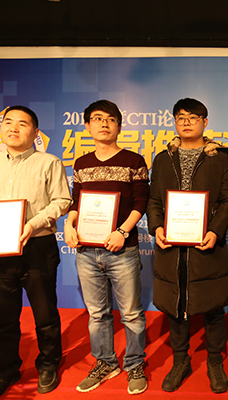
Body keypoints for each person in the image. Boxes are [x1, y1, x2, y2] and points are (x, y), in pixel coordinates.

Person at [0, 106, 72, 400]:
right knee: (3, 317)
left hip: (37, 247)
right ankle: (6, 370)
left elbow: (62, 200)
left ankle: (48, 363)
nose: (13, 128)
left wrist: (33, 224)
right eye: (8, 122)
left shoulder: (49, 162)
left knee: (45, 313)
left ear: (35, 132)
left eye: (22, 124)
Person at [147, 98, 228, 394]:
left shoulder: (220, 159)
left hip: (207, 243)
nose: (186, 122)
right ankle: (180, 360)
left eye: (193, 117)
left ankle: (215, 361)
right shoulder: (163, 159)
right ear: (174, 122)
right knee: (176, 305)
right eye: (180, 117)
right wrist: (157, 227)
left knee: (213, 306)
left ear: (205, 122)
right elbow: (154, 200)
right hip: (171, 246)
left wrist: (215, 232)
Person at [64, 100, 149, 394]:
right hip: (87, 252)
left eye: (111, 119)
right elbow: (76, 201)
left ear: (119, 126)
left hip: (122, 250)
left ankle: (135, 363)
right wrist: (68, 224)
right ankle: (106, 362)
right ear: (87, 126)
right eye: (98, 119)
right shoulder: (81, 163)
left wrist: (123, 231)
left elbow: (141, 202)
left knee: (131, 313)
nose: (104, 124)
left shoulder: (134, 161)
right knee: (97, 314)